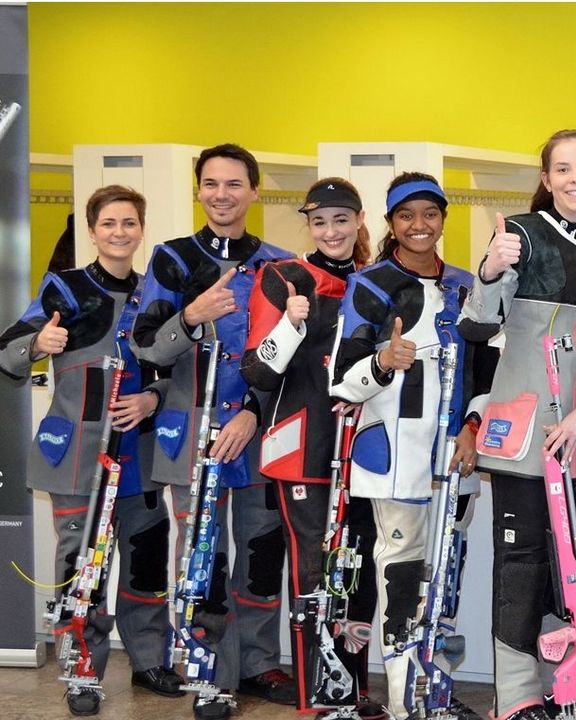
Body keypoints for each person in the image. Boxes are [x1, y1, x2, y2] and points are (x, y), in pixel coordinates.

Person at [458, 129, 576, 720]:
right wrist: (489, 270)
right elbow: (476, 330)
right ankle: (514, 697)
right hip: (525, 437)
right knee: (521, 563)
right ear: (545, 178)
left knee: (573, 560)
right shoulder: (518, 235)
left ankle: (567, 685)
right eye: (562, 169)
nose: (575, 179)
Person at [0, 185, 182, 716]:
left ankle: (150, 661)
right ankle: (81, 672)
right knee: (81, 569)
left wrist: (153, 397)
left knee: (146, 562)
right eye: (109, 223)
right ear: (92, 229)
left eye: (129, 223)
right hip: (78, 458)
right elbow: (9, 353)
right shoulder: (66, 288)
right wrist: (38, 346)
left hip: (142, 458)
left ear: (141, 228)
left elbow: (180, 371)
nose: (119, 232)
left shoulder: (158, 294)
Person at [129, 144, 296, 720]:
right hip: (190, 433)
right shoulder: (171, 260)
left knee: (261, 550)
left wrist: (253, 408)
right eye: (211, 184)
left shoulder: (281, 264)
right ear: (198, 190)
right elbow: (146, 343)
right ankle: (211, 671)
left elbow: (291, 355)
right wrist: (191, 316)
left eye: (234, 184)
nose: (221, 194)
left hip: (259, 432)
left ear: (254, 191)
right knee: (204, 556)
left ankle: (257, 663)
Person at [329, 172, 497, 720]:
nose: (419, 225)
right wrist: (382, 363)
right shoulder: (371, 285)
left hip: (458, 459)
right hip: (394, 460)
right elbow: (340, 378)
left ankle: (439, 695)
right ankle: (407, 704)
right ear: (392, 223)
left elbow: (488, 368)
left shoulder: (469, 286)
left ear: (443, 218)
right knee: (401, 576)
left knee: (447, 572)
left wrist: (473, 427)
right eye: (407, 215)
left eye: (430, 214)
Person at [240, 178, 386, 719]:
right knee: (313, 570)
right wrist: (290, 324)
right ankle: (316, 697)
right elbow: (255, 368)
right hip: (302, 447)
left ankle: (351, 688)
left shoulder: (378, 278)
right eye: (319, 221)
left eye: (341, 220)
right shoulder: (282, 277)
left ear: (358, 219)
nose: (331, 231)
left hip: (366, 448)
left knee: (360, 569)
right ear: (308, 224)